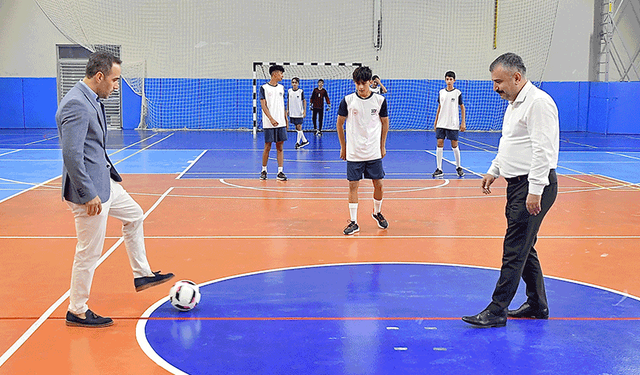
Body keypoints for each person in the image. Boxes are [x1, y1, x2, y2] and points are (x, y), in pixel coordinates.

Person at [56, 51, 174, 328]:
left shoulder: (91, 99)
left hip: (103, 181)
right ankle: (78, 309)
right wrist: (88, 194)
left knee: (134, 215)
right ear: (99, 77)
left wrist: (109, 175)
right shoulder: (76, 104)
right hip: (88, 191)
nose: (116, 85)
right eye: (115, 80)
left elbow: (93, 147)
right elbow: (71, 155)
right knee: (88, 251)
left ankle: (142, 273)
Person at [462, 52, 559, 327]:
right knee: (525, 247)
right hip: (517, 184)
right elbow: (510, 143)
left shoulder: (538, 104)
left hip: (533, 184)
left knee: (514, 248)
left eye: (499, 81)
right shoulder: (515, 103)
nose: (496, 88)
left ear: (517, 77)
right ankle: (537, 304)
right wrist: (494, 170)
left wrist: (536, 190)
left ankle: (496, 309)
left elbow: (543, 150)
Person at [337, 66, 389, 235]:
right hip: (354, 152)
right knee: (353, 186)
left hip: (373, 151)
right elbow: (339, 124)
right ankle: (354, 222)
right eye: (357, 83)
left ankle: (377, 212)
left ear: (370, 82)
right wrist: (344, 147)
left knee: (379, 184)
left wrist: (382, 145)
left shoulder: (379, 101)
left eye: (364, 83)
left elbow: (385, 123)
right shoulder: (348, 100)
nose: (360, 87)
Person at [432, 71, 466, 178]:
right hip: (441, 123)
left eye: (451, 79)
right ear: (445, 80)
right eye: (447, 79)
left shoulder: (457, 93)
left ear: (454, 80)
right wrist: (436, 121)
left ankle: (458, 167)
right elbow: (439, 107)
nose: (449, 81)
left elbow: (462, 107)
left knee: (454, 145)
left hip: (453, 123)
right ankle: (439, 168)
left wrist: (463, 122)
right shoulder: (441, 92)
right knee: (439, 143)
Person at [259, 65, 288, 181]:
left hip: (280, 122)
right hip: (269, 123)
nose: (282, 75)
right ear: (275, 73)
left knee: (280, 147)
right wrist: (271, 118)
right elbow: (263, 105)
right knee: (268, 146)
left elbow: (282, 104)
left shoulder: (281, 88)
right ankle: (264, 170)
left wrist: (285, 119)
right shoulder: (264, 88)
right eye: (281, 73)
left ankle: (280, 172)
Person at [288, 77, 309, 149]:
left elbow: (304, 101)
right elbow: (288, 101)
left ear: (298, 84)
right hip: (292, 112)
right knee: (297, 128)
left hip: (299, 112)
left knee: (299, 127)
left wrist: (304, 111)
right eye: (293, 82)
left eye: (295, 82)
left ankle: (297, 143)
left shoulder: (300, 91)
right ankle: (304, 140)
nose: (294, 84)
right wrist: (287, 110)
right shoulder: (289, 91)